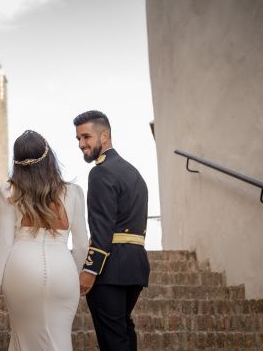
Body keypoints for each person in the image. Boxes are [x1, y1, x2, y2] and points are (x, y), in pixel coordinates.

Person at [0, 130, 89, 351]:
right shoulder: (74, 193)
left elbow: (4, 241)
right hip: (64, 272)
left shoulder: (8, 190)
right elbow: (81, 246)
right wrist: (81, 276)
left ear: (17, 163)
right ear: (49, 157)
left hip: (21, 270)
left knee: (23, 340)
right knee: (61, 341)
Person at [74, 110, 150, 351]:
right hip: (135, 266)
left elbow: (102, 227)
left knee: (113, 341)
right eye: (78, 139)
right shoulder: (133, 173)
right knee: (124, 331)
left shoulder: (100, 173)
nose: (81, 144)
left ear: (104, 135)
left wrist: (89, 269)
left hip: (110, 269)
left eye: (86, 137)